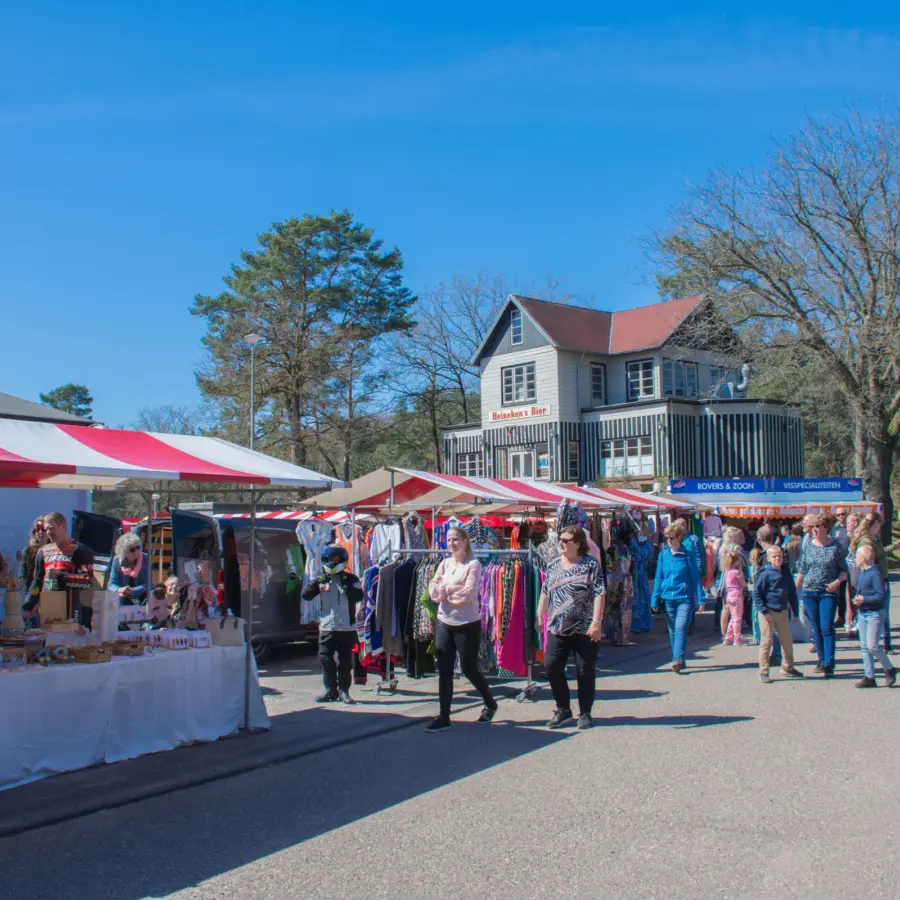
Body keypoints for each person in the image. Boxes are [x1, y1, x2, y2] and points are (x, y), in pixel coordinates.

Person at [426, 527, 498, 732]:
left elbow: (468, 594)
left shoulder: (473, 564)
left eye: (455, 539)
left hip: (467, 624)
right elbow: (433, 591)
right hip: (444, 621)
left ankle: (490, 703)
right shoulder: (444, 563)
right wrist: (446, 592)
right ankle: (444, 716)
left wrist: (445, 589)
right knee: (445, 669)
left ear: (465, 541)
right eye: (449, 540)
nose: (451, 543)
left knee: (469, 669)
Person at [538, 525, 605, 729]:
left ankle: (585, 713)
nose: (561, 543)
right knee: (551, 665)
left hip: (584, 627)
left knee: (585, 671)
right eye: (560, 539)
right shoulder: (554, 564)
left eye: (566, 540)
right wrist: (539, 614)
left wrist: (596, 622)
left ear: (577, 543)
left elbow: (599, 592)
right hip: (558, 626)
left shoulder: (590, 564)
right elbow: (545, 590)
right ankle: (563, 709)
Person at [302, 544, 364, 705]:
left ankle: (344, 691)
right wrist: (316, 582)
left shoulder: (351, 579)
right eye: (330, 559)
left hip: (346, 627)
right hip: (326, 626)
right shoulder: (322, 579)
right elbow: (306, 595)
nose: (332, 561)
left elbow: (358, 597)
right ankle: (330, 690)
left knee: (345, 662)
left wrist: (347, 585)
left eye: (336, 558)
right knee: (324, 658)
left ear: (342, 560)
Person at [796, 514, 848, 678]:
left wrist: (836, 582)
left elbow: (844, 570)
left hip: (827, 592)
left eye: (817, 526)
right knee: (816, 628)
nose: (814, 530)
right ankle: (821, 659)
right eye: (812, 527)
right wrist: (793, 590)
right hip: (809, 591)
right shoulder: (808, 546)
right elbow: (802, 570)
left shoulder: (835, 546)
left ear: (826, 527)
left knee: (826, 627)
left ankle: (829, 664)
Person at [23, 512, 94, 625]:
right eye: (47, 529)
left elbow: (88, 581)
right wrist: (28, 606)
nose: (49, 532)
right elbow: (37, 582)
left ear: (63, 526)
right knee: (45, 635)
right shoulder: (43, 552)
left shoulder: (80, 550)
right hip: (47, 610)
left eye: (52, 528)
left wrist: (61, 576)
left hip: (70, 611)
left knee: (67, 635)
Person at [651, 522, 700, 674]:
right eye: (666, 538)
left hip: (685, 597)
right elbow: (659, 577)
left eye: (671, 538)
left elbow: (695, 577)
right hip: (668, 597)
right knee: (673, 630)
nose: (669, 541)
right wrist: (655, 598)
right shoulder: (663, 555)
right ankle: (679, 658)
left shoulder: (687, 554)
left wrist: (701, 597)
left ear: (679, 537)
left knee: (680, 627)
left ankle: (677, 659)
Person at [753, 545, 804, 683]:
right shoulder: (765, 574)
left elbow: (792, 594)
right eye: (774, 556)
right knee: (766, 642)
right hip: (767, 612)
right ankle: (764, 672)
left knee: (787, 641)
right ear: (769, 558)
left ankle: (788, 667)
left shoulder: (786, 573)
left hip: (782, 611)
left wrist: (796, 613)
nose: (777, 558)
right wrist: (764, 611)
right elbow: (756, 594)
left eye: (779, 556)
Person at [851, 512, 900, 653]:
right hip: (874, 578)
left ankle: (885, 642)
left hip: (882, 576)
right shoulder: (866, 541)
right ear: (877, 523)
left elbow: (880, 553)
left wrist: (894, 547)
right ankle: (875, 643)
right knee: (878, 610)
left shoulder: (875, 537)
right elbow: (866, 561)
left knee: (884, 611)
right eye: (880, 523)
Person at [852, 544, 897, 688]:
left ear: (864, 558)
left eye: (857, 556)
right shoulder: (863, 573)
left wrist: (864, 599)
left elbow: (880, 596)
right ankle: (869, 676)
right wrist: (857, 599)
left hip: (874, 614)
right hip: (863, 613)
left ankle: (889, 668)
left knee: (873, 646)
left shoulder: (875, 574)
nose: (855, 558)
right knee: (865, 647)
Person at [108, 533, 150, 605]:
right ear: (123, 551)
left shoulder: (146, 559)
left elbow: (149, 584)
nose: (136, 551)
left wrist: (132, 590)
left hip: (142, 597)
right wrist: (120, 589)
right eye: (132, 550)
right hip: (122, 598)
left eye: (138, 547)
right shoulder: (116, 560)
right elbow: (111, 584)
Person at [831, 509, 851, 629]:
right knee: (840, 593)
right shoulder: (835, 529)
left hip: (851, 563)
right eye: (838, 515)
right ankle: (840, 617)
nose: (841, 517)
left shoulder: (850, 527)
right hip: (838, 564)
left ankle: (852, 618)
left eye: (843, 514)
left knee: (851, 591)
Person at [722, 550, 746, 646]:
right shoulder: (736, 573)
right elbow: (743, 584)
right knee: (737, 619)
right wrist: (740, 570)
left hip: (730, 596)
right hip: (737, 596)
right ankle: (737, 639)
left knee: (733, 618)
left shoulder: (727, 571)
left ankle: (728, 638)